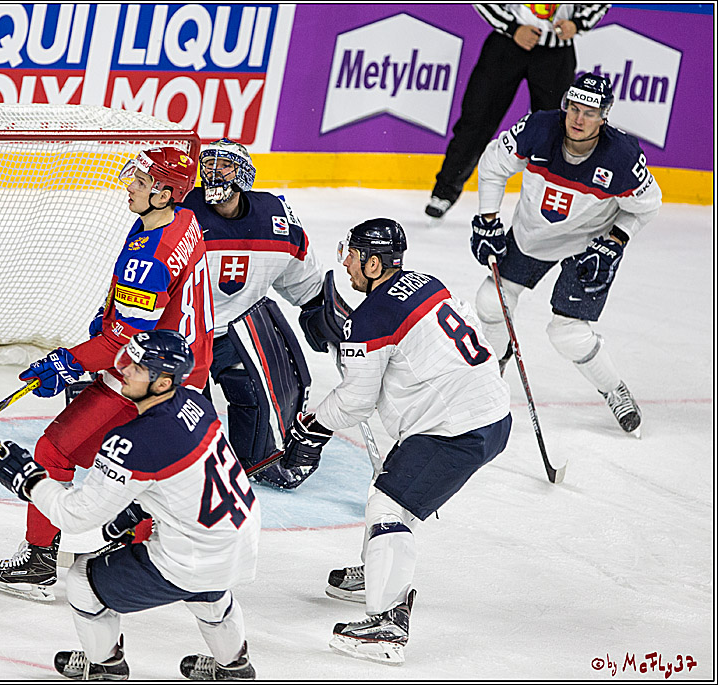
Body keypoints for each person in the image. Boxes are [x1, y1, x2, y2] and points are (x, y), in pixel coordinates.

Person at [0, 146, 216, 602]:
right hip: (184, 370)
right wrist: (109, 321)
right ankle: (132, 554)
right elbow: (138, 318)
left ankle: (40, 563)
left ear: (164, 193)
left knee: (53, 451)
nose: (130, 187)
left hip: (149, 378)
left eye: (141, 183)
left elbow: (120, 343)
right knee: (138, 471)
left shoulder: (150, 257)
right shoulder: (183, 220)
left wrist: (67, 362)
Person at [282, 218, 512, 664]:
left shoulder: (372, 318)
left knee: (387, 506)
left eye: (352, 255)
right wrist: (350, 340)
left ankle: (387, 624)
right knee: (392, 486)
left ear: (373, 263)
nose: (346, 263)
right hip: (489, 412)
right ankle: (378, 569)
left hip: (456, 429)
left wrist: (313, 425)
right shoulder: (427, 282)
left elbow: (356, 401)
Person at [0, 330, 260, 681]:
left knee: (83, 580)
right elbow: (186, 480)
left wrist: (29, 480)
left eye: (138, 368)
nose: (125, 370)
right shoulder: (196, 402)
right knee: (208, 589)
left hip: (194, 553)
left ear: (162, 383)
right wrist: (137, 510)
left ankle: (105, 667)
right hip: (240, 538)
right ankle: (234, 666)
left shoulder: (133, 442)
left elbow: (75, 515)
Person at [470, 73, 661, 435]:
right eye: (574, 108)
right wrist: (487, 220)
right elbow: (493, 164)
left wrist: (616, 240)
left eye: (589, 113)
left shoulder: (621, 157)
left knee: (569, 334)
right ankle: (492, 370)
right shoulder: (538, 129)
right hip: (533, 235)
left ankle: (613, 389)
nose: (578, 119)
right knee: (491, 302)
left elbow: (648, 206)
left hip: (589, 245)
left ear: (604, 117)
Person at [181, 138, 336, 489]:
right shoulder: (181, 212)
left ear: (245, 174)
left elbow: (302, 277)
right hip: (183, 331)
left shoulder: (275, 217)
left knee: (252, 397)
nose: (214, 173)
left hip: (235, 331)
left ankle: (255, 461)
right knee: (188, 418)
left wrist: (319, 311)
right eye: (208, 165)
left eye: (225, 166)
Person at [425, 3, 609, 219]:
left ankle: (553, 203)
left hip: (556, 55)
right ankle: (444, 192)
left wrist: (577, 23)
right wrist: (512, 27)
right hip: (506, 45)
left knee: (557, 132)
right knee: (476, 121)